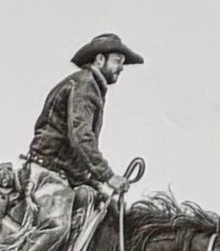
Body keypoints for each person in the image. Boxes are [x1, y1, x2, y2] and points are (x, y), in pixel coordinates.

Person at [27, 32, 142, 200]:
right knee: (58, 216)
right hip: (50, 172)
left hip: (67, 173)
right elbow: (81, 136)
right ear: (100, 59)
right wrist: (108, 176)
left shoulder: (88, 84)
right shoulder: (86, 85)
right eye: (117, 61)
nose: (121, 67)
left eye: (122, 63)